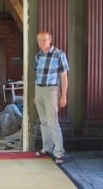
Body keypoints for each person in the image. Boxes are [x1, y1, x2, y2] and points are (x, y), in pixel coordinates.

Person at [34, 31, 69, 164]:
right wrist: (35, 95)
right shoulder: (37, 57)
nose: (41, 43)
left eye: (44, 40)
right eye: (39, 40)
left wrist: (63, 96)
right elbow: (36, 76)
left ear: (50, 40)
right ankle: (46, 148)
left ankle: (59, 153)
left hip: (51, 90)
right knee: (43, 122)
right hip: (39, 89)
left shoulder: (59, 55)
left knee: (53, 122)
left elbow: (64, 78)